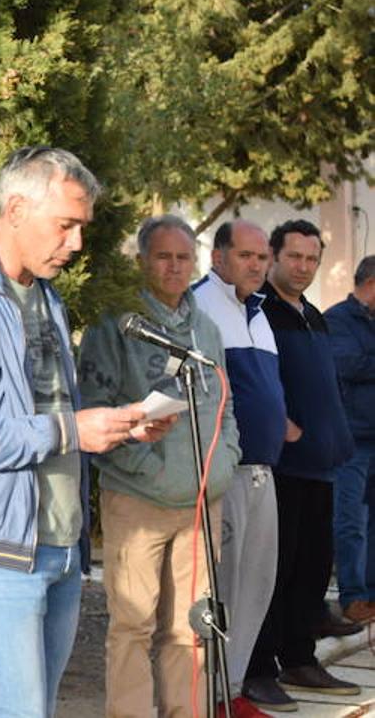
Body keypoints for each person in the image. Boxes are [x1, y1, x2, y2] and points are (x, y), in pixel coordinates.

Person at [0, 146, 161, 718]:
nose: (76, 243)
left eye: (81, 228)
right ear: (15, 209)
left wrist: (116, 426)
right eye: (65, 225)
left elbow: (44, 412)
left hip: (62, 550)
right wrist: (70, 431)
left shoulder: (47, 298)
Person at [79, 215, 241, 717]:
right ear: (143, 260)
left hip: (200, 505)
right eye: (163, 257)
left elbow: (225, 406)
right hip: (138, 502)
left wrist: (224, 463)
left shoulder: (205, 328)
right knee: (132, 627)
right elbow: (94, 406)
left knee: (191, 626)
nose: (174, 267)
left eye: (183, 257)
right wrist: (150, 468)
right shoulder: (116, 324)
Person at [245, 219, 358, 699]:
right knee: (276, 573)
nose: (304, 267)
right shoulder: (260, 312)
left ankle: (299, 660)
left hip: (323, 465)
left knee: (312, 570)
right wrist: (283, 424)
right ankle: (259, 668)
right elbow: (255, 380)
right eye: (295, 256)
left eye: (312, 259)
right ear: (273, 256)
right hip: (283, 465)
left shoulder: (313, 313)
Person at [191, 219, 290, 715]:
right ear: (218, 257)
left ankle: (229, 692)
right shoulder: (199, 306)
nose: (257, 265)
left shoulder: (259, 312)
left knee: (256, 585)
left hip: (262, 470)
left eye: (261, 257)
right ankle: (204, 696)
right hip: (223, 472)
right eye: (246, 256)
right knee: (222, 589)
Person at [328, 255, 375, 622]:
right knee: (350, 521)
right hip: (352, 438)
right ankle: (353, 597)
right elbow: (348, 364)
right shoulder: (337, 320)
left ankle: (372, 595)